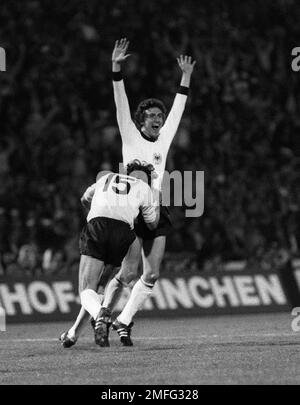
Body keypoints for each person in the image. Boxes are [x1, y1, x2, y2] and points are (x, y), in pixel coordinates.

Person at [60, 38, 195, 347]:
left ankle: (122, 321)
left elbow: (179, 108)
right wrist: (116, 69)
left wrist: (185, 78)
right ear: (140, 120)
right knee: (117, 278)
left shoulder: (164, 138)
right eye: (152, 115)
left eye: (160, 116)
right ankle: (78, 329)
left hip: (155, 209)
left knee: (151, 274)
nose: (159, 119)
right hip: (127, 210)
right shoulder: (130, 135)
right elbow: (120, 102)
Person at [60, 160, 159, 347]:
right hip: (124, 233)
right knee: (106, 283)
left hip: (98, 227)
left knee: (87, 288)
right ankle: (74, 332)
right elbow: (152, 224)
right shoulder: (145, 189)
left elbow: (84, 199)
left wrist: (99, 210)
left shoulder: (106, 177)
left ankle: (101, 315)